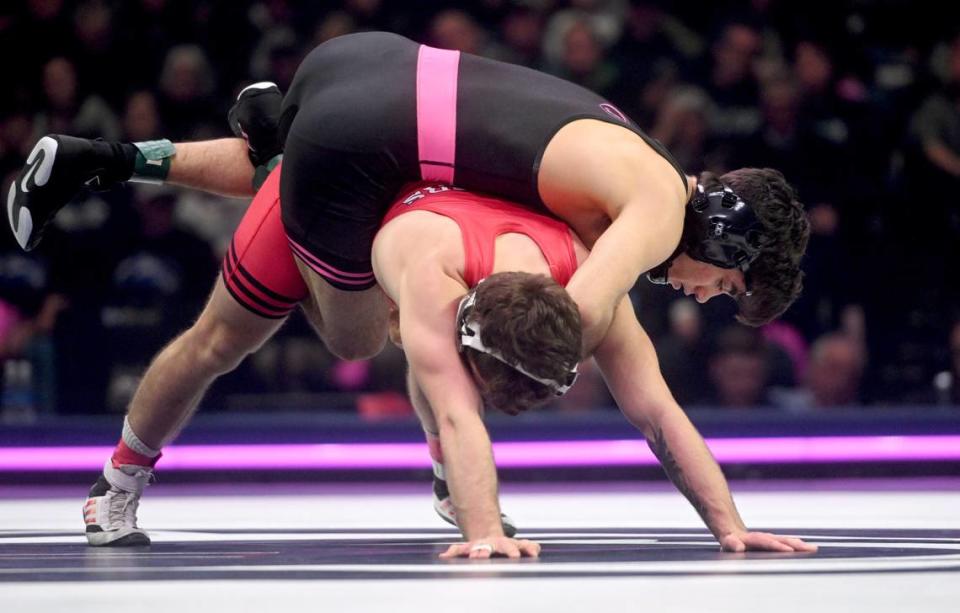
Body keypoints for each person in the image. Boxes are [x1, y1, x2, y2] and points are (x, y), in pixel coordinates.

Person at [10, 33, 811, 556]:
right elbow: (575, 324)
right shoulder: (649, 212)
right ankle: (276, 149)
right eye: (725, 285)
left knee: (350, 308)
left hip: (371, 72)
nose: (705, 299)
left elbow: (650, 402)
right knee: (358, 338)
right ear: (725, 243)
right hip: (359, 165)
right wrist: (489, 506)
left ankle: (153, 152)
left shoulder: (624, 168)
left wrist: (729, 526)